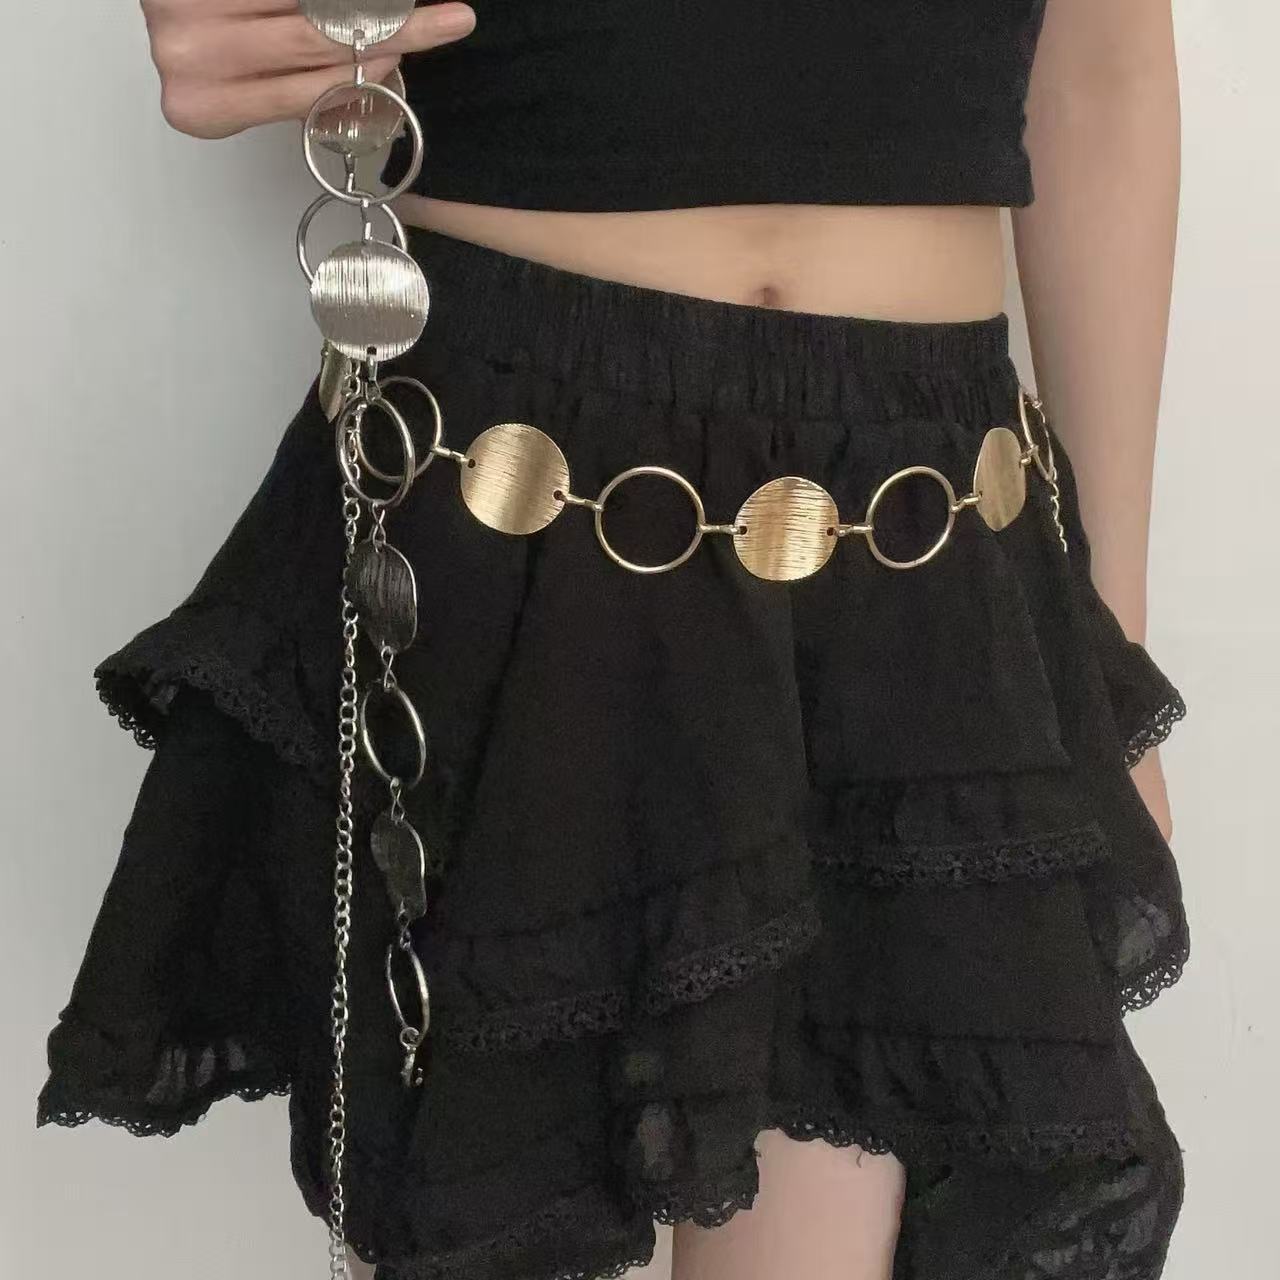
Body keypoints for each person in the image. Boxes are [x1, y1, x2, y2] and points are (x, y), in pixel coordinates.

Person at [38, 3, 1188, 1278]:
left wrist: (1105, 637)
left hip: (918, 524)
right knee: (478, 1209)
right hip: (503, 482)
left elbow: (1104, 74)